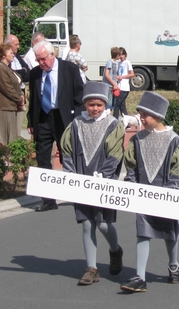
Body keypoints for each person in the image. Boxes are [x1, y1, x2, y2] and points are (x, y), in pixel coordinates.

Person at [121, 92, 179, 293]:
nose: (141, 118)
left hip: (167, 195)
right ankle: (140, 277)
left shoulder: (175, 141)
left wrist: (169, 193)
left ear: (158, 115)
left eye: (145, 115)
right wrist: (132, 184)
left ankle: (174, 265)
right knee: (143, 232)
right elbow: (132, 166)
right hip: (144, 194)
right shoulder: (137, 139)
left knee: (170, 232)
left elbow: (178, 172)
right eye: (140, 114)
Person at [60, 81, 125, 286]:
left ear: (105, 105)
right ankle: (92, 268)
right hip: (81, 181)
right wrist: (71, 173)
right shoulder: (76, 124)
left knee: (104, 224)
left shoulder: (113, 125)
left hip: (103, 183)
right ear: (85, 104)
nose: (95, 108)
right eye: (91, 105)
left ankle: (115, 250)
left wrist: (103, 176)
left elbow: (115, 154)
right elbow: (67, 150)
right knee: (87, 224)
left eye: (99, 105)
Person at [27, 40, 84, 212]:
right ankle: (48, 200)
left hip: (64, 117)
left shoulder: (70, 69)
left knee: (69, 157)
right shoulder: (35, 73)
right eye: (38, 60)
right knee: (43, 158)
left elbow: (80, 97)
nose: (41, 63)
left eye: (43, 59)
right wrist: (31, 122)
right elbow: (34, 99)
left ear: (52, 55)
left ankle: (77, 195)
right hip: (44, 118)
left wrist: (77, 120)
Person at [0, 44, 24, 145]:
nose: (13, 55)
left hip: (11, 106)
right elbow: (7, 88)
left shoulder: (7, 68)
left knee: (12, 136)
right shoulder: (0, 68)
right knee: (4, 137)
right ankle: (4, 159)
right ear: (3, 55)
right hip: (3, 107)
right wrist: (19, 98)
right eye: (10, 53)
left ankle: (10, 159)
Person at [114, 47, 134, 119]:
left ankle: (115, 120)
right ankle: (127, 122)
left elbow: (132, 74)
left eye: (122, 55)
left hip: (124, 87)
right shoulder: (119, 63)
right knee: (122, 105)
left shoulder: (127, 63)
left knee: (117, 104)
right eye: (119, 55)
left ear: (125, 55)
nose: (121, 56)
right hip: (119, 86)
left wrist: (122, 77)